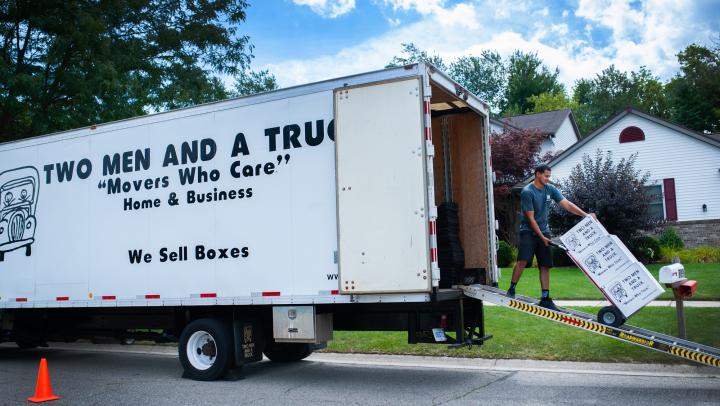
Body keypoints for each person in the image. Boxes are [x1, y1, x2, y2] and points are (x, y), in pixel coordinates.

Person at [506, 164, 595, 310]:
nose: (548, 179)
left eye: (549, 176)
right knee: (523, 261)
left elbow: (566, 204)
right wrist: (541, 237)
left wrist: (585, 215)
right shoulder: (527, 192)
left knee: (545, 264)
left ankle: (545, 298)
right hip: (528, 231)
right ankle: (511, 289)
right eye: (546, 176)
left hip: (544, 231)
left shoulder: (550, 189)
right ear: (537, 174)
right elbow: (530, 218)